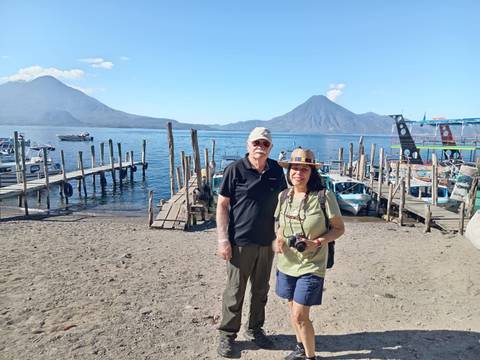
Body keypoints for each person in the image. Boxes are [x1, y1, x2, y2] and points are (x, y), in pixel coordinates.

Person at [216, 127, 287, 358]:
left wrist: (281, 233)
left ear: (271, 148)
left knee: (260, 290)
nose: (260, 147)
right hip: (240, 242)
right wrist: (223, 239)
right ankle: (227, 334)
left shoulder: (276, 169)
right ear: (248, 145)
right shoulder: (235, 170)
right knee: (235, 291)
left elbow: (285, 203)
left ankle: (255, 329)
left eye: (265, 144)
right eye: (257, 142)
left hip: (267, 243)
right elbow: (222, 206)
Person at [275, 148, 345, 360]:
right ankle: (300, 347)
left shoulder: (324, 197)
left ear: (311, 172)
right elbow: (278, 223)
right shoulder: (284, 196)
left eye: (304, 169)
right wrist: (278, 237)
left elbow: (339, 229)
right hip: (286, 263)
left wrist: (317, 242)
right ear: (289, 171)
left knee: (300, 314)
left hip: (312, 265)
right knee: (292, 309)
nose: (298, 173)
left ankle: (310, 357)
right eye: (294, 168)